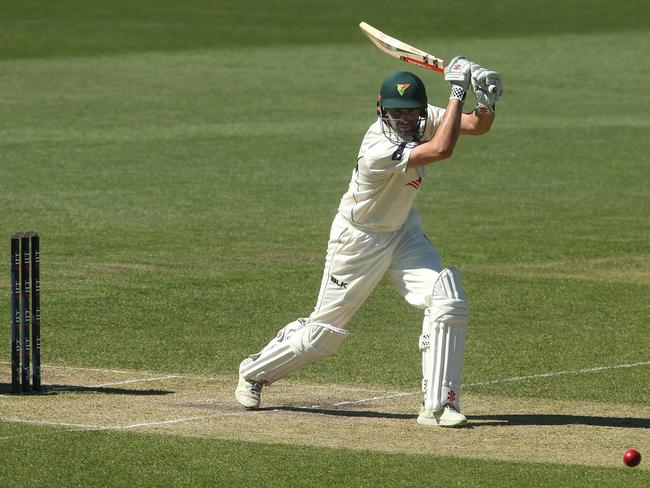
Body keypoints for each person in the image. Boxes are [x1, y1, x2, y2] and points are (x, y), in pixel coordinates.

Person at [235, 56, 502, 427]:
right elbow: (442, 149)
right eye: (395, 113)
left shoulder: (422, 118)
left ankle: (440, 404)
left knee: (447, 296)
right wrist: (458, 88)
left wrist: (486, 99)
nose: (404, 121)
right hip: (358, 241)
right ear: (382, 111)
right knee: (321, 337)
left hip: (402, 232)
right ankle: (254, 371)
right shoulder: (378, 147)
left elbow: (474, 125)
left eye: (411, 114)